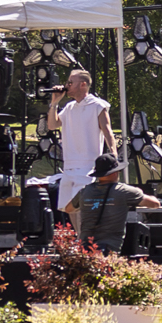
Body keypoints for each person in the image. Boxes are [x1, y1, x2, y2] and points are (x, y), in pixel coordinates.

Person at [49, 66, 109, 234]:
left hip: (87, 165)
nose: (66, 85)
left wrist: (114, 155)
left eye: (70, 82)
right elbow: (52, 125)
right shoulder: (68, 108)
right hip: (69, 164)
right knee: (70, 208)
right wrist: (54, 103)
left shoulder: (97, 105)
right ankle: (80, 240)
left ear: (82, 85)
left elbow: (107, 130)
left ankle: (87, 241)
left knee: (84, 206)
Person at [78, 147, 161, 250]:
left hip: (84, 249)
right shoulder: (124, 191)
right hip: (109, 249)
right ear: (114, 172)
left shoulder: (84, 191)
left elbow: (68, 208)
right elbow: (155, 204)